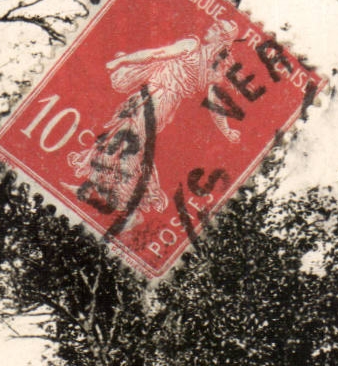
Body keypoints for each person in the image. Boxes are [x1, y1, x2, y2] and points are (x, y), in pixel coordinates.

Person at [67, 18, 245, 217]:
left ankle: (124, 199)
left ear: (220, 38)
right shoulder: (213, 66)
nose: (211, 27)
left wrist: (123, 60)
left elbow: (155, 54)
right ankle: (101, 188)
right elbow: (215, 104)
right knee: (124, 138)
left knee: (132, 142)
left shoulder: (193, 46)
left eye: (217, 28)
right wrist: (227, 130)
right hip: (160, 101)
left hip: (159, 98)